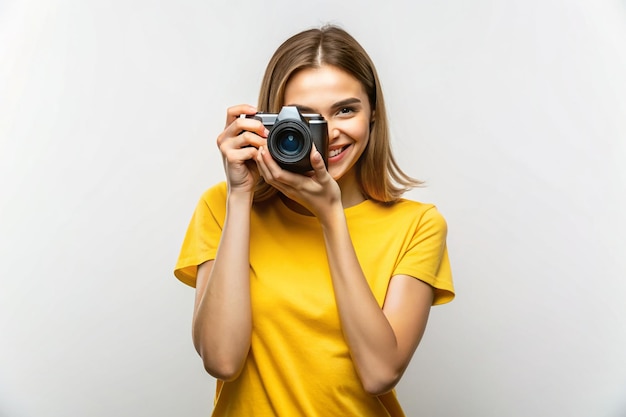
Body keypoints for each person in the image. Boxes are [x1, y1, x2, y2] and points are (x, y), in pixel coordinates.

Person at [174, 24, 454, 417]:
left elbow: (379, 373)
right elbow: (221, 360)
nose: (329, 134)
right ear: (272, 122)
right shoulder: (221, 206)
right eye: (305, 118)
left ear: (373, 114)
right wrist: (240, 195)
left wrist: (331, 216)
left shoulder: (418, 225)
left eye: (345, 109)